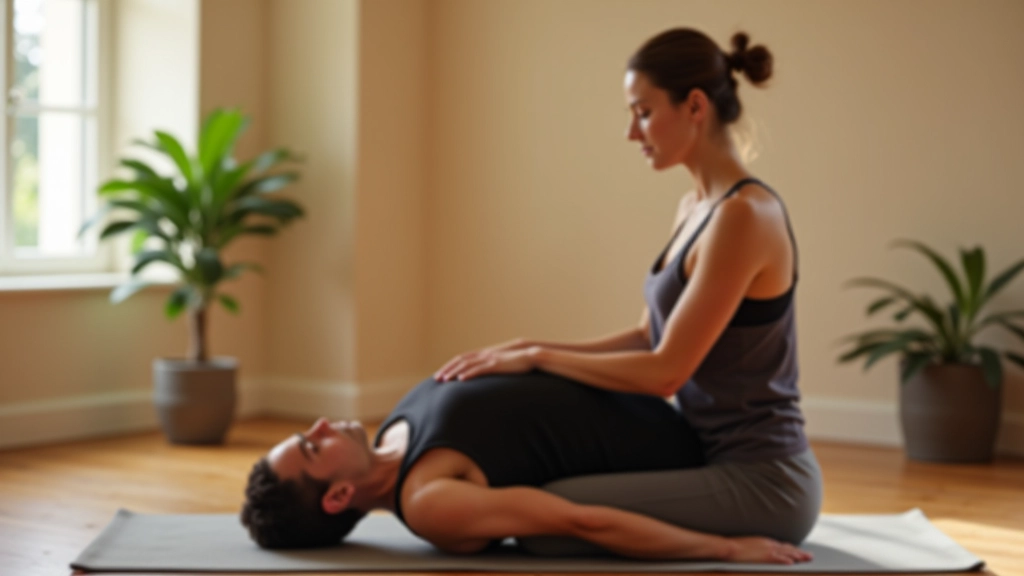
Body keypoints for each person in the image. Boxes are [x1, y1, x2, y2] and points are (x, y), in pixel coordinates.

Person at [433, 28, 822, 556]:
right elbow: (647, 337)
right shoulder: (695, 208)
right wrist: (525, 349)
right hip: (700, 456)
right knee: (540, 502)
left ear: (695, 106)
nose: (631, 133)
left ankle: (727, 546)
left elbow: (666, 371)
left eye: (641, 112)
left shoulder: (745, 216)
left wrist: (538, 357)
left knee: (546, 519)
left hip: (766, 480)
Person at [242, 370, 812, 564]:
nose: (319, 425)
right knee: (549, 543)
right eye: (313, 448)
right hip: (674, 462)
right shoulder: (428, 500)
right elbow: (581, 520)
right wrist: (728, 549)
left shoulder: (396, 427)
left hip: (671, 408)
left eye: (305, 434)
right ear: (339, 496)